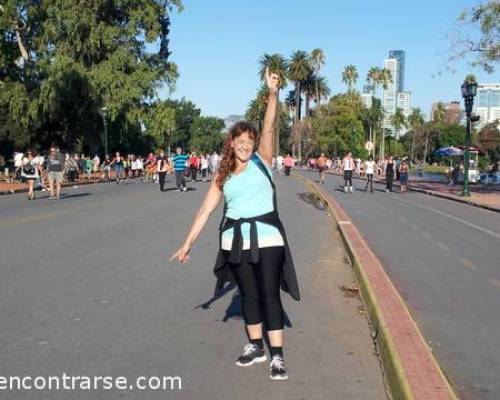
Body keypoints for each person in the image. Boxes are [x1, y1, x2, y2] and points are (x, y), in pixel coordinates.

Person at [170, 69, 300, 381]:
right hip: (234, 241)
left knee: (269, 294)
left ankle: (277, 357)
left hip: (268, 239)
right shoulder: (223, 174)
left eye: (249, 140)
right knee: (248, 294)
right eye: (239, 140)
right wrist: (188, 243)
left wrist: (272, 93)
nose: (244, 145)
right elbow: (205, 210)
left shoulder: (263, 161)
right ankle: (256, 346)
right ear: (231, 142)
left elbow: (269, 125)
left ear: (255, 143)